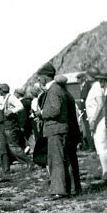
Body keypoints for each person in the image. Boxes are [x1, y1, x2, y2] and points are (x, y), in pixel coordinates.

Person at [35, 63, 73, 198]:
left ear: (45, 77)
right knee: (61, 160)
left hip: (55, 129)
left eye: (40, 78)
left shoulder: (53, 90)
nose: (39, 80)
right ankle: (65, 188)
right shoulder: (58, 89)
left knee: (56, 160)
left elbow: (55, 110)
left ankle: (59, 191)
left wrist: (41, 113)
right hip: (59, 129)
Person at [83, 67, 107, 181]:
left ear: (89, 76)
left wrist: (94, 120)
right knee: (104, 146)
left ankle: (106, 172)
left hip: (99, 121)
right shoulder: (97, 87)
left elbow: (100, 104)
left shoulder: (96, 88)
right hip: (100, 120)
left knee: (101, 147)